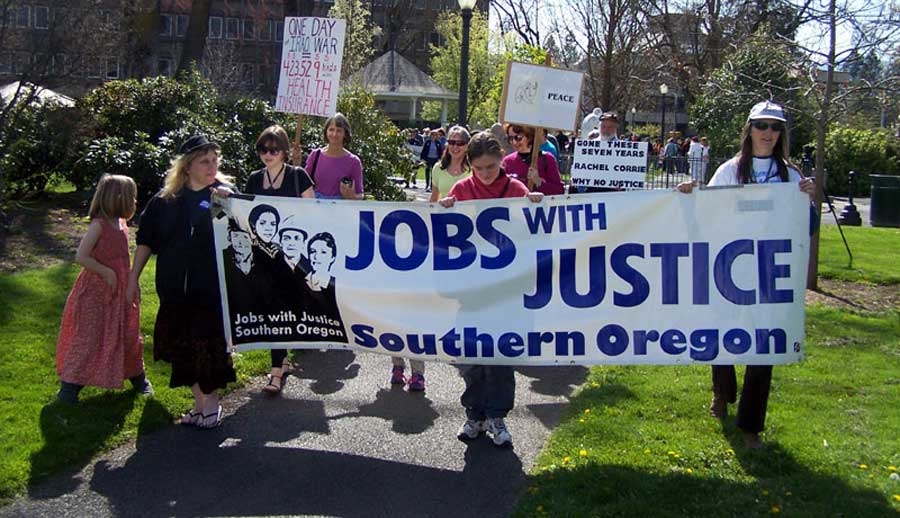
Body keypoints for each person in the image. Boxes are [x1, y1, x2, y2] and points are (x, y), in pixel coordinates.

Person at [677, 101, 816, 449]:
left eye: (775, 127)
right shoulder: (729, 170)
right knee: (721, 334)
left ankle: (751, 426)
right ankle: (722, 393)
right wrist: (688, 197)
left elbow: (808, 227)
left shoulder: (792, 176)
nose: (768, 133)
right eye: (761, 126)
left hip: (769, 273)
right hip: (729, 268)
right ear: (749, 129)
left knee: (764, 346)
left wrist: (808, 202)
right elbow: (705, 213)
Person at [439, 131, 544, 448]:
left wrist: (535, 206)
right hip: (471, 290)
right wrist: (446, 210)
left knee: (498, 357)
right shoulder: (461, 189)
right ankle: (475, 414)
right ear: (469, 165)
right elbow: (444, 233)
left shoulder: (515, 189)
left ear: (501, 160)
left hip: (505, 290)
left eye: (490, 167)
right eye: (479, 168)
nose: (485, 174)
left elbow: (532, 229)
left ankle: (497, 416)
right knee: (470, 356)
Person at [128, 135, 237, 429]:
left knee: (207, 345)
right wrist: (132, 279)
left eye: (215, 160)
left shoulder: (222, 197)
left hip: (210, 289)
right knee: (183, 346)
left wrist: (227, 204)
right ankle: (199, 404)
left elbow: (231, 236)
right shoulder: (166, 201)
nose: (212, 166)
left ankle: (211, 402)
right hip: (174, 289)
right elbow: (146, 241)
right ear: (187, 166)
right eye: (205, 161)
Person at [56, 174, 151, 404]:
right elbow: (81, 256)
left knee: (127, 334)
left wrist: (131, 281)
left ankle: (139, 378)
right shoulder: (98, 225)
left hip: (119, 292)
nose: (134, 202)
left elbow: (124, 258)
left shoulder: (121, 224)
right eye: (132, 197)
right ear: (117, 198)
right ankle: (69, 387)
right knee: (90, 337)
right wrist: (106, 272)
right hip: (96, 292)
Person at [245, 125, 315, 395]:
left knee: (283, 309)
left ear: (285, 151)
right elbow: (244, 211)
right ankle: (281, 360)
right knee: (271, 310)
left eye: (273, 149)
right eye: (263, 149)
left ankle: (276, 371)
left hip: (291, 258)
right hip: (263, 257)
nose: (267, 154)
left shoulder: (298, 176)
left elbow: (313, 213)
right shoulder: (254, 179)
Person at [305, 113, 364, 200]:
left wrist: (352, 197)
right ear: (326, 131)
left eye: (339, 130)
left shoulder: (353, 161)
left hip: (339, 210)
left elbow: (360, 194)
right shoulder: (315, 155)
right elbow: (302, 184)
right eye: (331, 130)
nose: (334, 134)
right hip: (315, 208)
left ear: (345, 133)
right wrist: (296, 162)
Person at [501, 124, 565, 196]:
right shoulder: (507, 161)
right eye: (510, 138)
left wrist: (538, 182)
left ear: (529, 137)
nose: (514, 142)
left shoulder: (547, 159)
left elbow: (559, 190)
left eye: (518, 137)